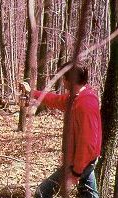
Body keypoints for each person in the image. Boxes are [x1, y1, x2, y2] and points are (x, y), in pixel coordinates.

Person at [33, 61, 102, 198]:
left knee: (42, 192)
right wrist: (33, 93)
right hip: (81, 161)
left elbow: (87, 142)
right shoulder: (77, 97)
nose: (62, 81)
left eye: (64, 77)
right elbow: (57, 100)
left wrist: (76, 171)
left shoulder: (85, 104)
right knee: (89, 195)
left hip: (82, 161)